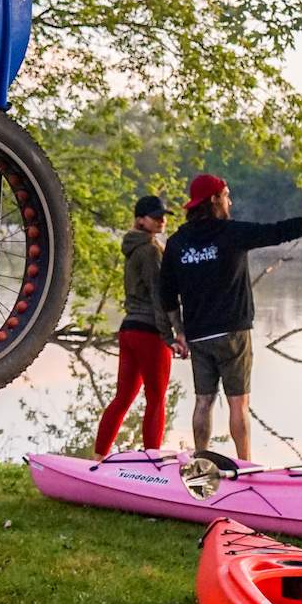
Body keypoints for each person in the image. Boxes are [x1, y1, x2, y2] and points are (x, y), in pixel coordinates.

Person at [158, 173, 302, 462]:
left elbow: (166, 294)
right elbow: (280, 231)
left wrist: (179, 331)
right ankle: (245, 465)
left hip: (199, 335)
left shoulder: (177, 242)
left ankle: (200, 462)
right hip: (233, 333)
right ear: (214, 200)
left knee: (203, 401)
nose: (230, 200)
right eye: (226, 195)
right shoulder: (230, 232)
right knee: (238, 403)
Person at [93, 193, 187, 457]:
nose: (161, 221)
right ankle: (152, 461)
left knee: (123, 398)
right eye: (155, 217)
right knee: (156, 399)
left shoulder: (132, 247)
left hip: (129, 329)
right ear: (140, 220)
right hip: (149, 333)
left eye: (162, 216)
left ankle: (98, 457)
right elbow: (161, 296)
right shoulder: (150, 250)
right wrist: (171, 336)